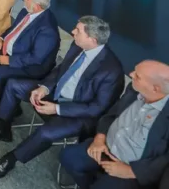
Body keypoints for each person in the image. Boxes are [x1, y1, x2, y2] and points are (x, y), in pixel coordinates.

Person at [0, 15, 124, 179]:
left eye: (78, 31)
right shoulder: (78, 46)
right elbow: (61, 70)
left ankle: (11, 160)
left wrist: (57, 108)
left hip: (78, 113)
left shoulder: (111, 70)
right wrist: (44, 87)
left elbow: (97, 108)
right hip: (55, 95)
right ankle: (4, 128)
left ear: (92, 39)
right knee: (13, 85)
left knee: (46, 133)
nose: (72, 31)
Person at [59, 60, 169, 189]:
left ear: (155, 88)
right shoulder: (133, 89)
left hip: (130, 167)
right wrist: (99, 138)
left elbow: (165, 158)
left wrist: (132, 171)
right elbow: (112, 114)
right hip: (105, 147)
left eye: (138, 76)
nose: (131, 74)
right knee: (67, 157)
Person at [0, 0, 61, 110]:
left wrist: (9, 60)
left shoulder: (47, 29)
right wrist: (1, 38)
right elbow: (13, 28)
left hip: (29, 65)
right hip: (10, 50)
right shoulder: (26, 10)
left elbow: (36, 58)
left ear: (37, 6)